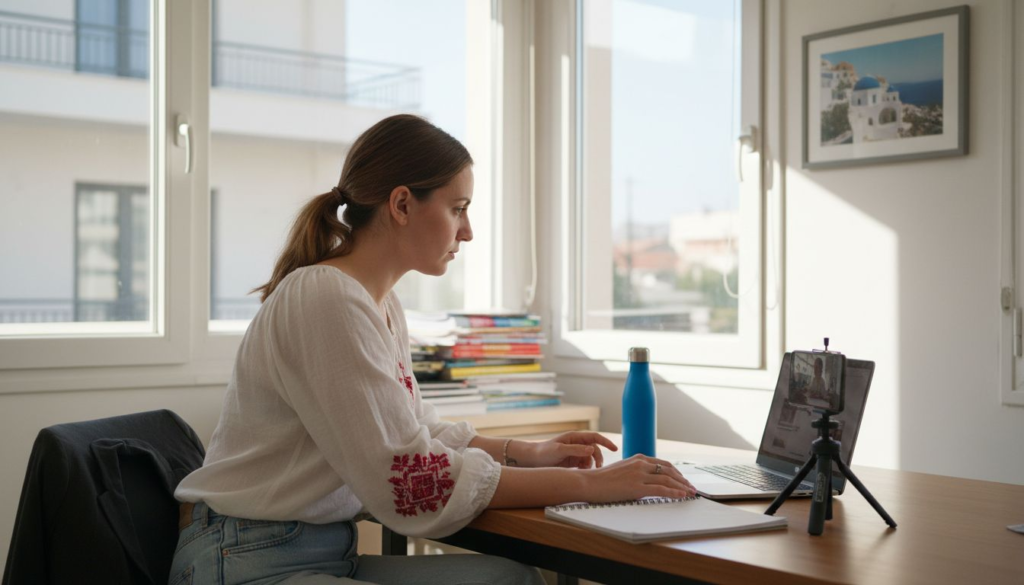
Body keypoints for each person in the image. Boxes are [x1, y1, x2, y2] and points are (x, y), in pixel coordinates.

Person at [170, 114, 695, 585]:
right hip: (244, 560)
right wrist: (593, 486)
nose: (467, 231)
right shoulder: (325, 297)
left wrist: (530, 453)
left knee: (508, 579)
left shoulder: (379, 303)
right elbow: (410, 479)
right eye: (458, 208)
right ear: (402, 204)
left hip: (321, 553)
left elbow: (417, 431)